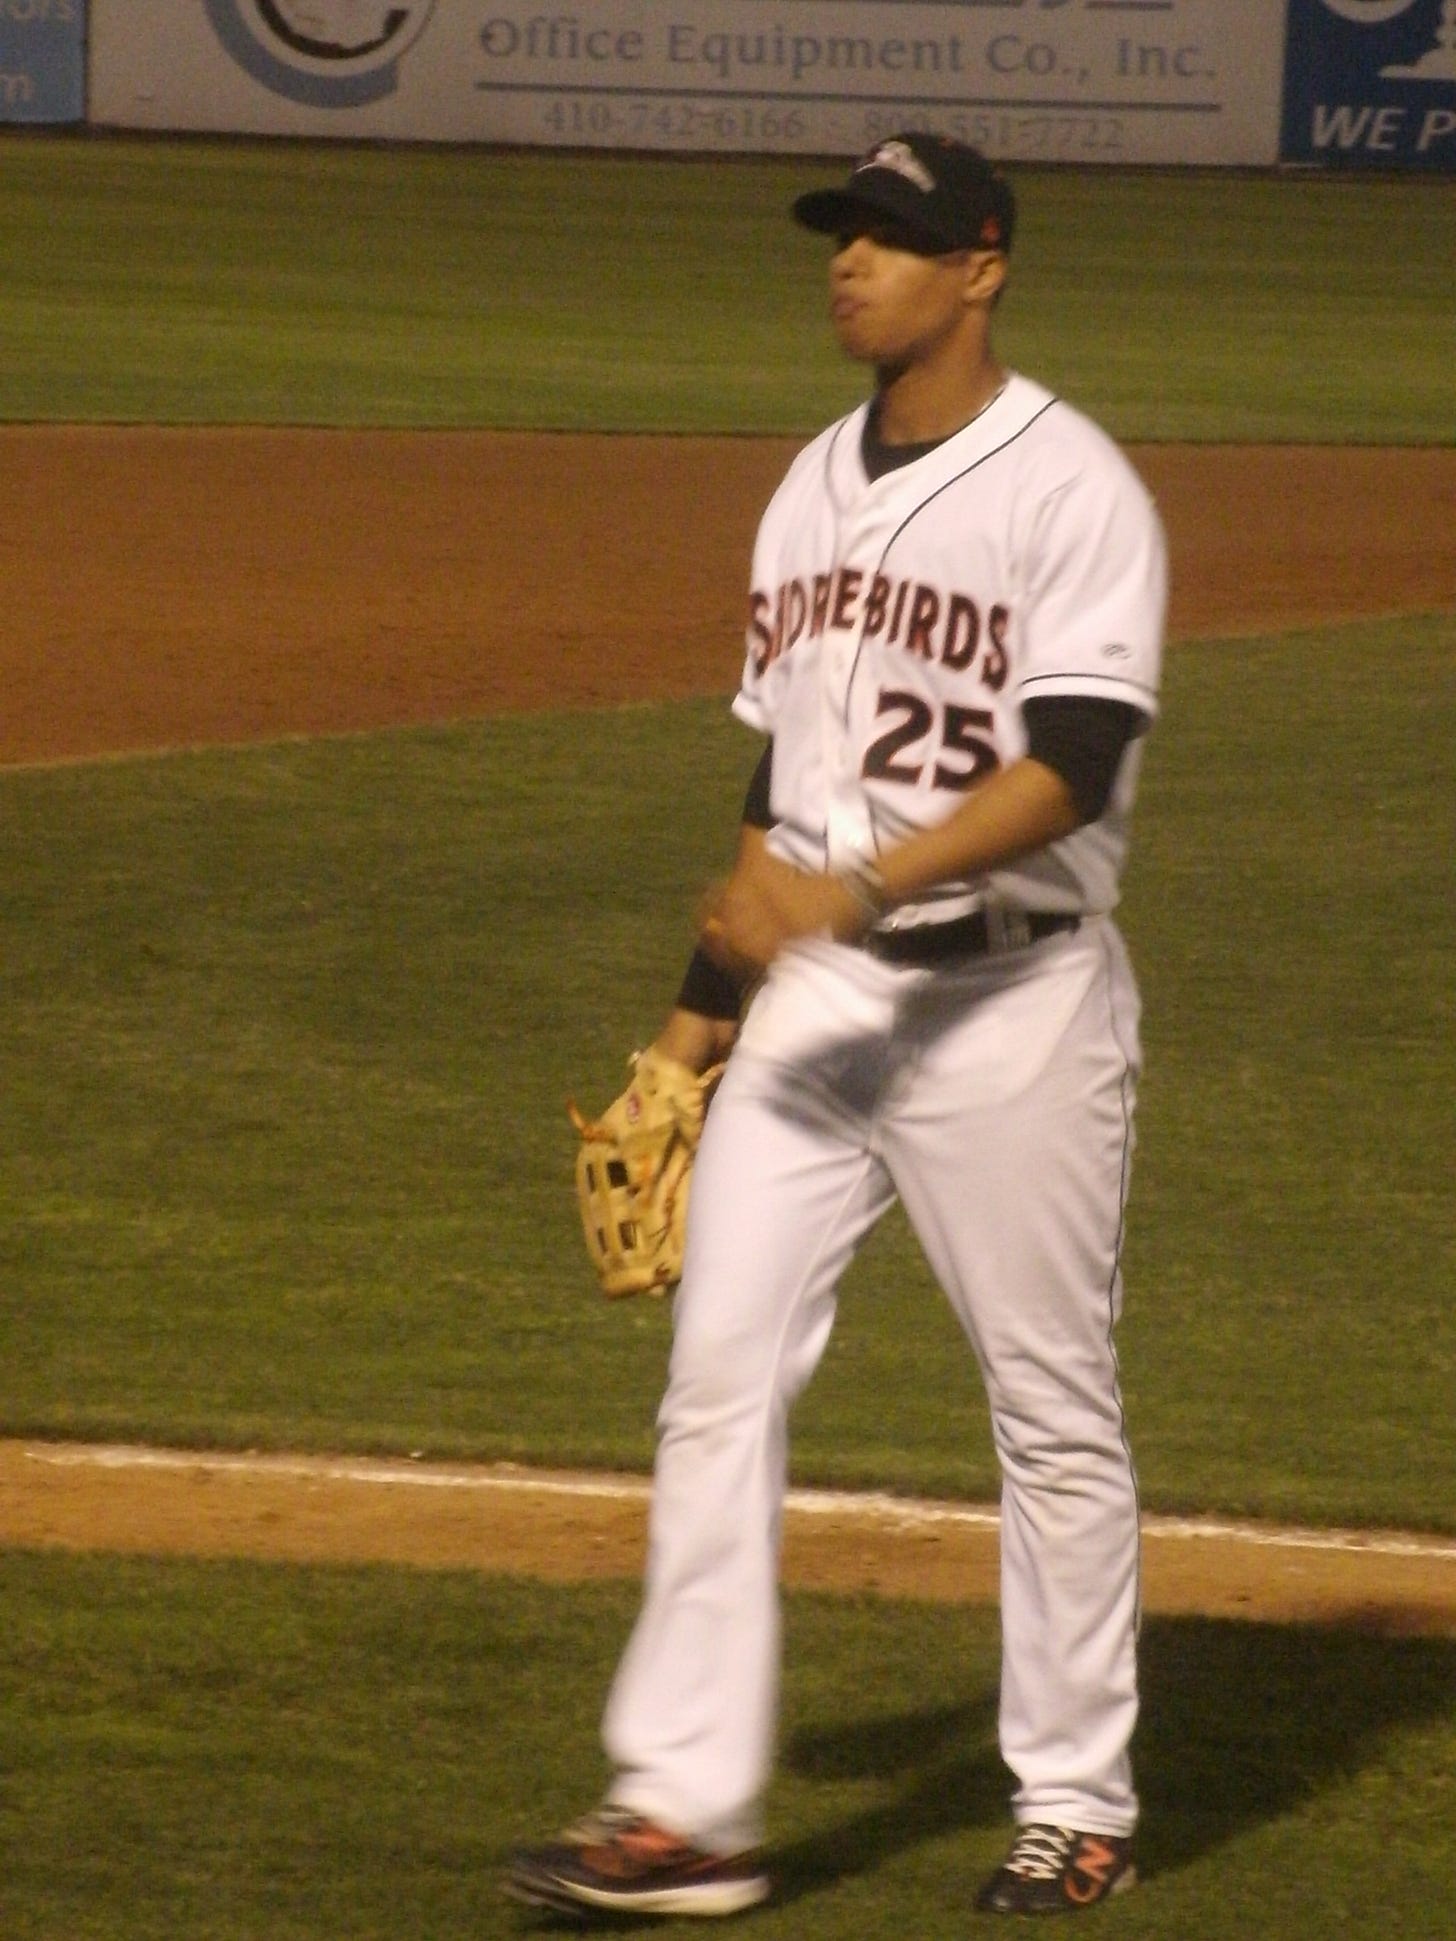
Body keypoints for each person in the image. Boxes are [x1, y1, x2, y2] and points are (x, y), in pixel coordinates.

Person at [507, 132, 1167, 1920]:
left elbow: (1077, 760)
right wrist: (687, 1032)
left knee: (1047, 1407)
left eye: (895, 237)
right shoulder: (807, 483)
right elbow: (777, 777)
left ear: (986, 266)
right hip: (814, 1005)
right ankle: (684, 1811)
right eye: (843, 234)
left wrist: (850, 893)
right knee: (715, 1385)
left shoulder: (1073, 483)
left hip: (1012, 1001)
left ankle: (1077, 1798)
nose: (852, 261)